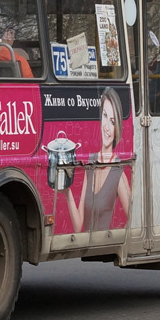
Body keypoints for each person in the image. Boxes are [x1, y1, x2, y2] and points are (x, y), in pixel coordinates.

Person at [59, 86, 132, 232]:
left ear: (117, 127)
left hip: (105, 247)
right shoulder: (91, 162)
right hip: (87, 247)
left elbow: (134, 217)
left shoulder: (117, 169)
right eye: (104, 116)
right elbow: (79, 225)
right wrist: (68, 193)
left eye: (112, 121)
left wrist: (116, 239)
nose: (106, 126)